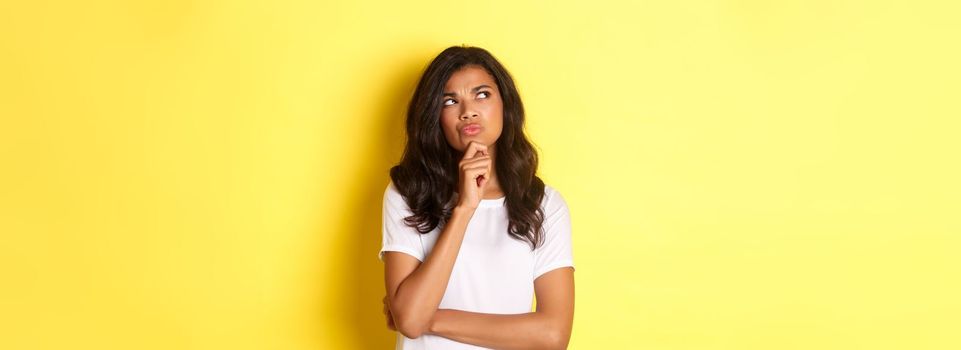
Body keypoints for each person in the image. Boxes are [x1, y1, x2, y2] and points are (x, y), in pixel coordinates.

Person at [379, 45, 575, 349]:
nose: (467, 110)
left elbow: (552, 334)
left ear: (505, 105)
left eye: (482, 94)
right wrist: (464, 208)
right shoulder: (408, 193)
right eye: (450, 100)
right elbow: (410, 321)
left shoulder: (543, 204)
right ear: (436, 117)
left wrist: (429, 319)